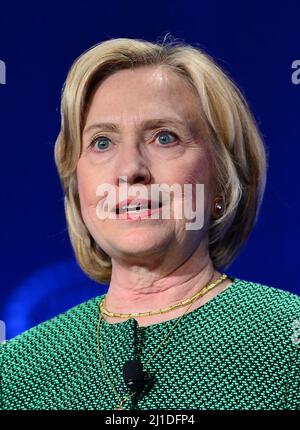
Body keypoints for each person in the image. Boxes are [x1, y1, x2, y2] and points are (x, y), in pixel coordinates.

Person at [0, 37, 299, 410]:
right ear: (77, 188)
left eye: (164, 137)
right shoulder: (16, 370)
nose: (130, 171)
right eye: (103, 142)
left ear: (221, 181)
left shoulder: (289, 341)